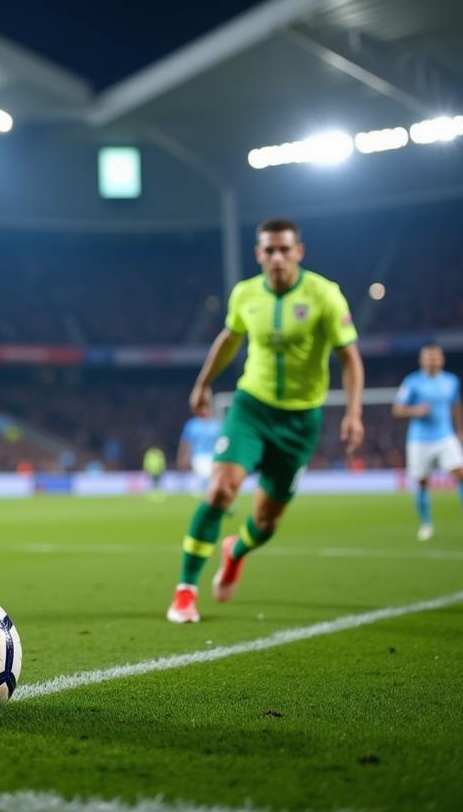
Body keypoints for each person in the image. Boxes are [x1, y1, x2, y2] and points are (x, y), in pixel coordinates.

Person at [167, 218, 364, 624]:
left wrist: (354, 411)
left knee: (267, 521)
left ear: (298, 252)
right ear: (258, 254)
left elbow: (349, 357)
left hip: (300, 420)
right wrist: (203, 383)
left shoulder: (325, 294)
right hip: (251, 408)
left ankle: (235, 551)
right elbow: (229, 338)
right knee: (221, 490)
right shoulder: (245, 294)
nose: (277, 257)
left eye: (284, 249)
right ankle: (185, 591)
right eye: (269, 250)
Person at [392, 345, 463, 541]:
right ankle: (426, 525)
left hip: (445, 436)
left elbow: (456, 406)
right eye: (428, 357)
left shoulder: (451, 381)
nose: (432, 360)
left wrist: (460, 430)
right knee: (422, 483)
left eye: (435, 357)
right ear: (422, 361)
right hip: (419, 440)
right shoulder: (412, 382)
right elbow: (397, 409)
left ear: (442, 360)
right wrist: (416, 411)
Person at [176, 397, 221, 493]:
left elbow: (220, 442)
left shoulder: (215, 425)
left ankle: (214, 500)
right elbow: (186, 443)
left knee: (213, 480)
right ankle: (208, 500)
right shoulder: (192, 425)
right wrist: (182, 458)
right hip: (198, 456)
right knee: (204, 478)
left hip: (213, 456)